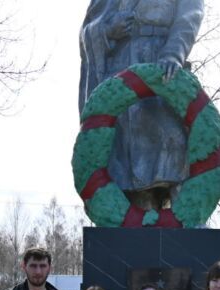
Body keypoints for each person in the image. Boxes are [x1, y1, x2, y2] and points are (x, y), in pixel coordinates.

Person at [79, 0, 204, 211]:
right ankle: (139, 210)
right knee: (127, 158)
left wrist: (174, 53)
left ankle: (185, 212)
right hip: (120, 70)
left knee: (173, 142)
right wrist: (108, 30)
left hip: (161, 63)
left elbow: (190, 15)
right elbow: (86, 32)